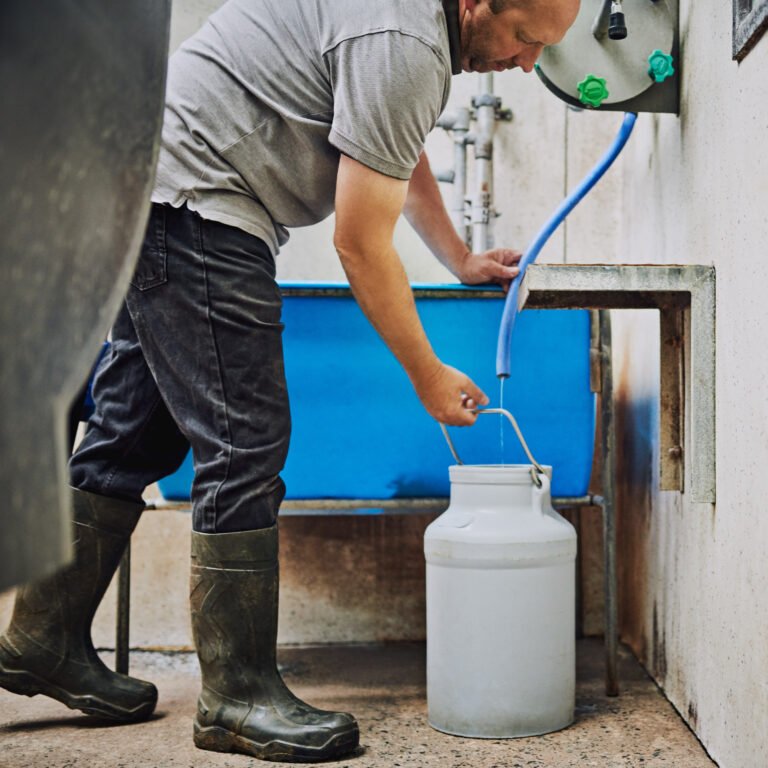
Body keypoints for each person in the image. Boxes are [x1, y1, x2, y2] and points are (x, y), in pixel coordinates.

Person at [0, 0, 579, 762]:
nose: (527, 63)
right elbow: (359, 244)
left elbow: (389, 150)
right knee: (245, 440)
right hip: (197, 202)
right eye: (524, 39)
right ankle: (235, 697)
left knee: (131, 434)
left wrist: (459, 260)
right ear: (477, 4)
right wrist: (427, 373)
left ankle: (42, 639)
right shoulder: (403, 39)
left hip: (149, 184)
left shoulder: (413, 34)